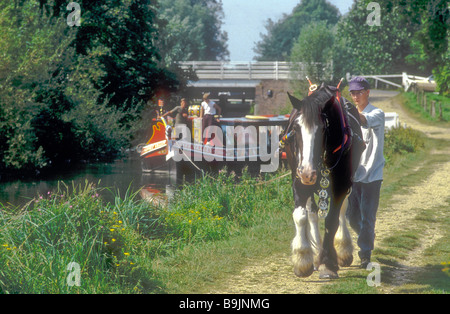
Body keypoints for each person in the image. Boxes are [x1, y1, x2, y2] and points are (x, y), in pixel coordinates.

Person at [346, 76, 385, 268]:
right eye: (352, 93)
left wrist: (348, 112)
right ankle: (367, 235)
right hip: (353, 174)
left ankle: (365, 254)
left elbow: (362, 120)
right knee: (350, 215)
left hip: (372, 174)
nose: (355, 96)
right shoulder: (349, 116)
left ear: (368, 92)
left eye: (359, 92)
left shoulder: (377, 113)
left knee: (367, 215)